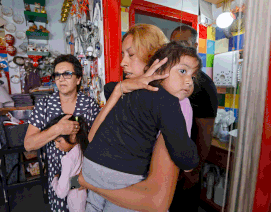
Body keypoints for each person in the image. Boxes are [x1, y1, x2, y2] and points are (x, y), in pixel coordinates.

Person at [78, 24, 195, 212]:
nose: (122, 63)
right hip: (106, 188)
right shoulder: (127, 91)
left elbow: (157, 199)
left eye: (130, 55)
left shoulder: (175, 103)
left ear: (154, 57)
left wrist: (87, 182)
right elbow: (92, 140)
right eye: (123, 55)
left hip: (131, 197)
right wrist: (119, 90)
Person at [24, 54, 100, 212]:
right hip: (58, 178)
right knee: (62, 204)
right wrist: (58, 129)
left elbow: (99, 141)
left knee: (83, 206)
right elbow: (28, 144)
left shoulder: (89, 105)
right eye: (57, 75)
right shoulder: (44, 105)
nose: (61, 79)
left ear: (78, 79)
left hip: (84, 178)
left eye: (67, 74)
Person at [169, 25, 218, 211]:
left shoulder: (203, 85)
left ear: (195, 45)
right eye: (174, 44)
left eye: (183, 44)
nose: (178, 49)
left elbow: (205, 133)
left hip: (188, 169)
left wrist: (194, 172)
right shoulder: (171, 79)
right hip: (168, 167)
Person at [42, 114, 88, 212]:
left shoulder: (67, 159)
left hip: (76, 205)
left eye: (59, 141)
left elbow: (61, 192)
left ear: (73, 135)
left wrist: (54, 180)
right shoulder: (83, 149)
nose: (57, 146)